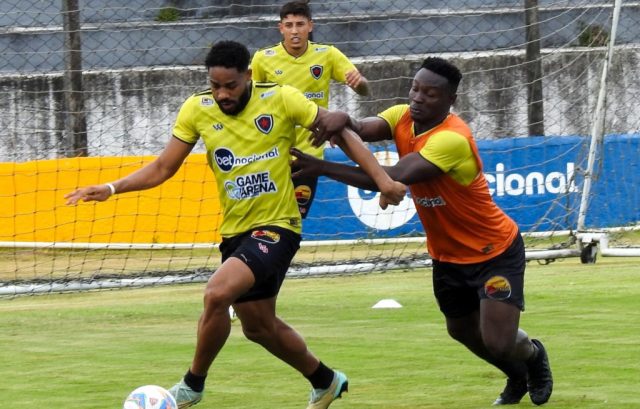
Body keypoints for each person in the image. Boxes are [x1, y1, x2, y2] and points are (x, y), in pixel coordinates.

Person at [65, 41, 405, 409]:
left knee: (216, 293)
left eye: (231, 85)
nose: (223, 94)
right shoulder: (197, 109)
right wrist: (112, 188)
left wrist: (383, 181)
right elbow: (163, 167)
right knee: (258, 327)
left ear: (248, 76)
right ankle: (325, 381)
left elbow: (341, 133)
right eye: (215, 85)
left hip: (279, 225)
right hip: (235, 231)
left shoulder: (281, 98)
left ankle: (192, 385)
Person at [291, 57, 553, 406]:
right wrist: (344, 118)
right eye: (415, 88)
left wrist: (322, 167)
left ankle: (533, 356)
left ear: (449, 101)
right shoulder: (401, 116)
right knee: (459, 330)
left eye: (429, 94)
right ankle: (516, 377)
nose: (417, 97)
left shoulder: (452, 139)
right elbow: (362, 128)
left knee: (498, 342)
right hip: (447, 255)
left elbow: (389, 177)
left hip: (493, 252)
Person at [251, 1, 370, 219]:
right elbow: (250, 102)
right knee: (266, 217)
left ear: (310, 26)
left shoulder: (327, 54)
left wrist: (360, 83)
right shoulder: (263, 58)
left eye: (300, 24)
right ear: (281, 28)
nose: (294, 31)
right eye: (289, 25)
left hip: (308, 155)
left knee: (295, 217)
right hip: (271, 153)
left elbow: (364, 90)